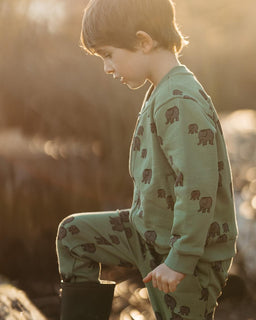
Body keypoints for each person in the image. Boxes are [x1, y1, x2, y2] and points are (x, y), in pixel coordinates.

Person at [56, 0, 238, 319]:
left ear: (143, 41)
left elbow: (197, 186)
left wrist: (180, 260)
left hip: (186, 255)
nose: (107, 68)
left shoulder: (179, 101)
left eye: (108, 55)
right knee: (74, 236)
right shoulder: (161, 90)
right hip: (147, 232)